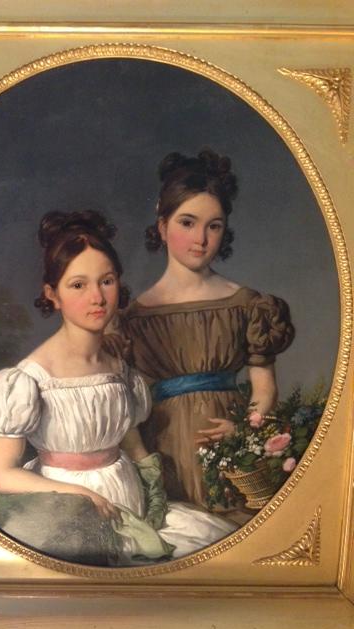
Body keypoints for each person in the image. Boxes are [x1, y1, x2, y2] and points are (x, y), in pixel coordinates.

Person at [0, 210, 237, 566]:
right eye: (78, 285)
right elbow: (3, 476)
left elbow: (130, 441)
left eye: (107, 281)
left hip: (133, 504)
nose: (97, 297)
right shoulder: (29, 379)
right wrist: (80, 493)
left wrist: (153, 488)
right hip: (74, 516)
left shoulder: (119, 368)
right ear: (52, 294)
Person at [116, 150, 295, 509]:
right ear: (162, 225)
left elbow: (265, 389)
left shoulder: (247, 304)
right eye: (187, 222)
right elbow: (125, 406)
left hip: (229, 455)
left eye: (214, 226)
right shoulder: (133, 318)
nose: (201, 238)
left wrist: (242, 431)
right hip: (164, 452)